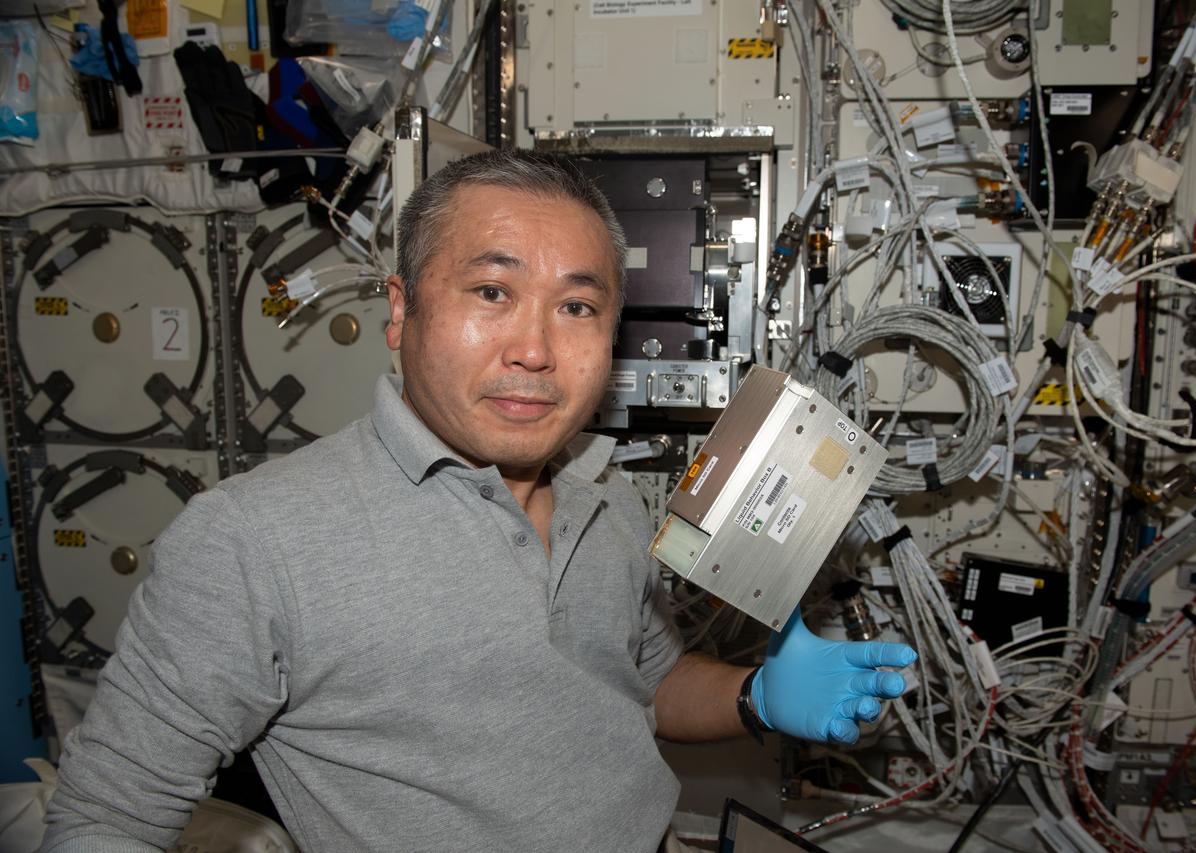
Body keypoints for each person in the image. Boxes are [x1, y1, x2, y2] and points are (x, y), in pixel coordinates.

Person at [40, 149, 916, 852]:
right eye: (491, 292)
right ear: (401, 310)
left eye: (576, 306)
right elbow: (105, 817)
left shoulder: (602, 498)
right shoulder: (252, 542)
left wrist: (757, 695)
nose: (534, 347)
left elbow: (640, 684)